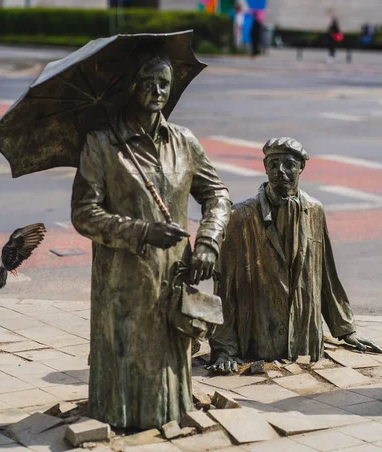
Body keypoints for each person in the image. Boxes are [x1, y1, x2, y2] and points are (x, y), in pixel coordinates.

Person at [71, 54, 231, 428]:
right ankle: (125, 421)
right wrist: (142, 232)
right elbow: (83, 214)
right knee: (127, 358)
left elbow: (217, 194)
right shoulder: (102, 143)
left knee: (170, 360)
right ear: (130, 87)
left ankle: (171, 415)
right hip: (123, 280)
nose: (158, 91)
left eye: (164, 83)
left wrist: (208, 240)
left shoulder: (184, 142)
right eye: (148, 82)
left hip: (174, 275)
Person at [209, 137, 381, 372]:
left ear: (302, 168)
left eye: (289, 164)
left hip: (304, 339)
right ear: (265, 167)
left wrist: (346, 329)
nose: (280, 171)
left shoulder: (314, 210)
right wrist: (223, 348)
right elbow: (224, 287)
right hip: (260, 338)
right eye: (273, 164)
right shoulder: (242, 216)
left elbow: (326, 275)